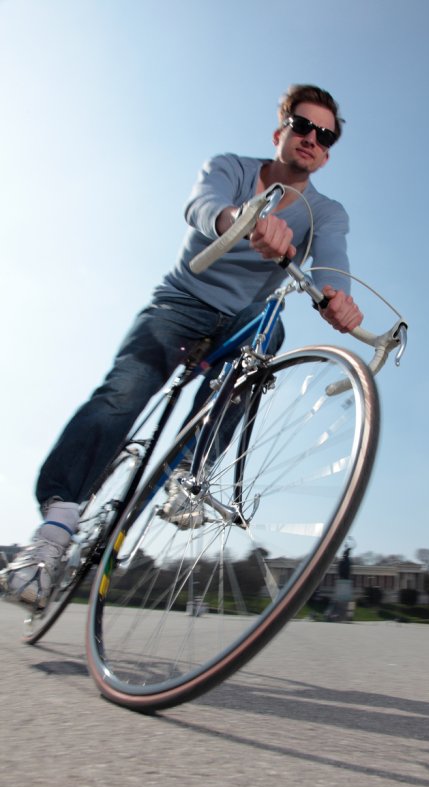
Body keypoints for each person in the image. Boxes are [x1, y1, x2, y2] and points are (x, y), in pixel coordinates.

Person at [1, 83, 363, 610]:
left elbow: (331, 264)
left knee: (272, 326)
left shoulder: (326, 212)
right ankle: (54, 532)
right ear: (280, 131)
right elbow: (203, 205)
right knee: (124, 392)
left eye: (324, 135)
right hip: (184, 300)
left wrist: (340, 299)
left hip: (241, 319)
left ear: (328, 152)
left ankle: (189, 473)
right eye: (303, 126)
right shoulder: (231, 167)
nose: (312, 139)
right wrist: (242, 223)